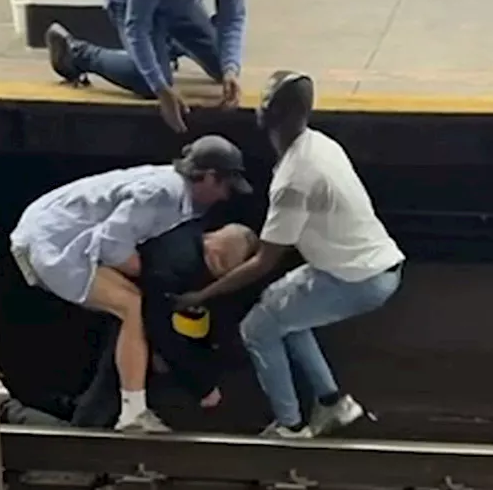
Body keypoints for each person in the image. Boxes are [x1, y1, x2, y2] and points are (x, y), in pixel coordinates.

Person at [173, 71, 406, 439]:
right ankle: (333, 403)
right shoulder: (319, 144)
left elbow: (263, 261)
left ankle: (289, 426)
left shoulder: (294, 182)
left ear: (268, 115)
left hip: (355, 281)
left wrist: (201, 296)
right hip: (364, 267)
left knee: (257, 328)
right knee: (280, 308)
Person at [9, 134, 251, 432]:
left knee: (131, 305)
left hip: (54, 233)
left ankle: (110, 408)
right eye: (225, 186)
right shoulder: (163, 193)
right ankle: (133, 414)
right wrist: (148, 274)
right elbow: (111, 243)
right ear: (209, 177)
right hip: (55, 241)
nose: (225, 196)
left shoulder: (176, 192)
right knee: (132, 305)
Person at [0, 220, 259, 430]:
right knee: (88, 430)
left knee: (93, 411)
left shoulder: (186, 248)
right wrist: (201, 384)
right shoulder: (177, 262)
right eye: (217, 265)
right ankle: (7, 410)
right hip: (110, 318)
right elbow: (157, 323)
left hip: (117, 324)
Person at [45, 0, 250, 133]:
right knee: (147, 81)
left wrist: (230, 68)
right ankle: (76, 53)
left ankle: (164, 47)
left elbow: (232, 17)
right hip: (132, 3)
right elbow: (137, 26)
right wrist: (160, 87)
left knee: (221, 66)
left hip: (180, 3)